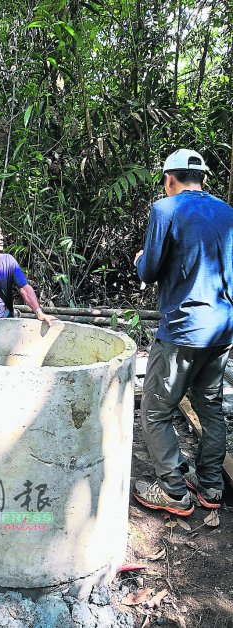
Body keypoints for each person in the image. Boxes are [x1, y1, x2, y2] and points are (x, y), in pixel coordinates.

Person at [133, 148, 233, 516]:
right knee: (210, 408)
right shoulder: (227, 212)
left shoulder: (165, 209)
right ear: (204, 179)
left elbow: (150, 271)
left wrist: (142, 260)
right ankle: (211, 487)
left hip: (182, 330)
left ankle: (174, 492)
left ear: (169, 179)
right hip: (222, 329)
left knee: (156, 410)